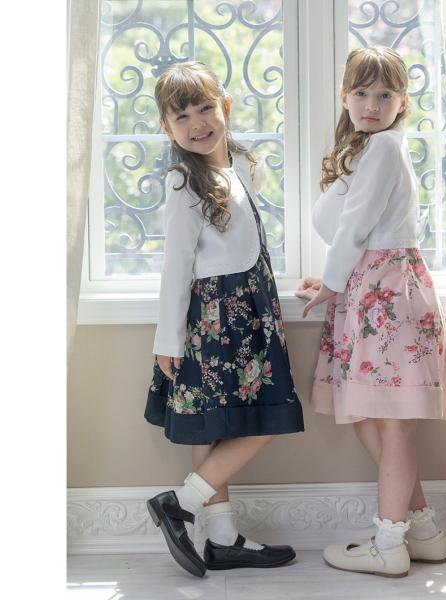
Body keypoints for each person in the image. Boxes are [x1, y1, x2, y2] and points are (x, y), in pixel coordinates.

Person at [296, 46, 446, 578]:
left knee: (391, 423)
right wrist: (336, 281)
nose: (371, 104)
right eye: (362, 93)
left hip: (386, 293)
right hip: (373, 287)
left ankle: (389, 543)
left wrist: (333, 282)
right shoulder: (370, 149)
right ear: (344, 97)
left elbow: (357, 225)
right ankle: (424, 531)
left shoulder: (385, 147)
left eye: (385, 95)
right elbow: (360, 229)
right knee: (377, 417)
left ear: (402, 102)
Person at [144, 61, 304, 577]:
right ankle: (181, 504)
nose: (197, 123)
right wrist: (167, 340)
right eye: (181, 116)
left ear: (226, 107)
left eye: (205, 108)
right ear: (167, 128)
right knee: (253, 419)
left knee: (218, 427)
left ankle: (221, 538)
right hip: (214, 319)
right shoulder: (182, 183)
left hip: (251, 311)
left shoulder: (238, 164)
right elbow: (176, 268)